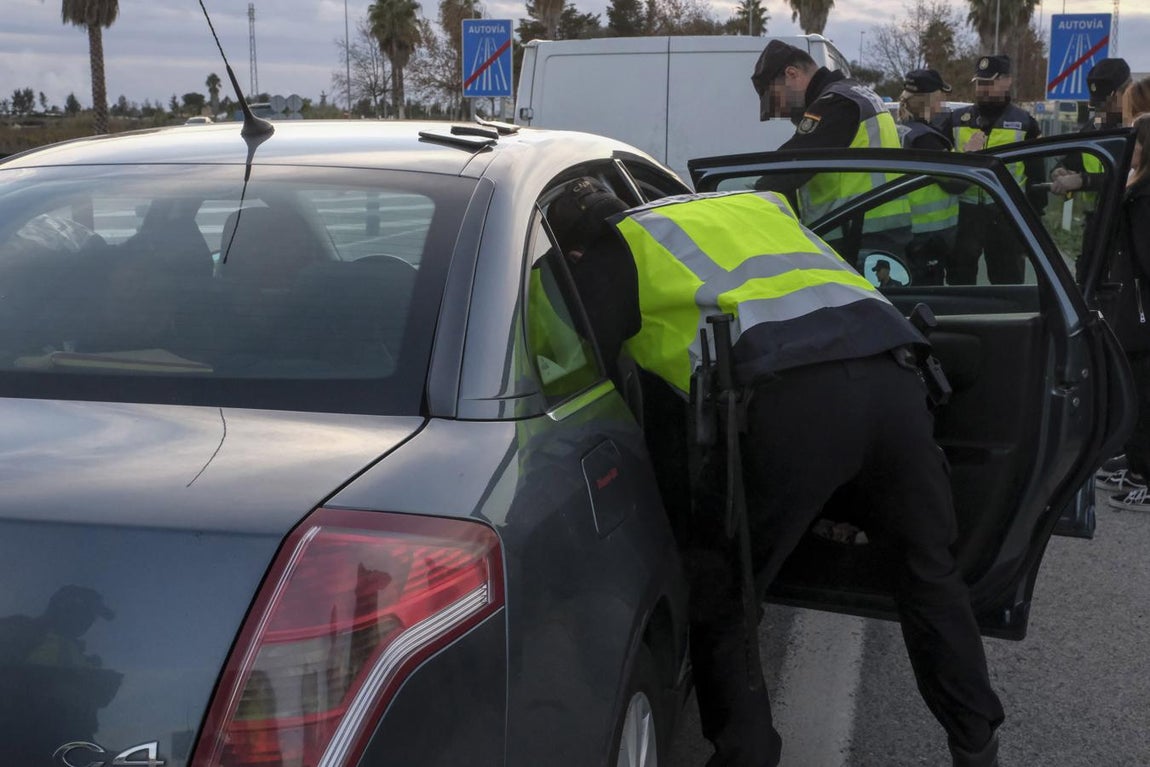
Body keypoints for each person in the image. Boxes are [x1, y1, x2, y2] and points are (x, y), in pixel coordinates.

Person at [551, 178, 1006, 767]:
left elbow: (573, 367)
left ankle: (747, 754)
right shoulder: (750, 206)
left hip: (789, 402)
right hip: (895, 379)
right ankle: (977, 742)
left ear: (574, 251)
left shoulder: (616, 249)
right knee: (928, 573)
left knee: (725, 592)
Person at [750, 40, 911, 257]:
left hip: (857, 238)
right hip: (879, 232)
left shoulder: (836, 104)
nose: (780, 112)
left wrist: (748, 200)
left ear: (792, 74)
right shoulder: (858, 95)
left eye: (775, 99)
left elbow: (787, 170)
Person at [936, 55, 1046, 285]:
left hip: (1006, 213)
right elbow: (941, 167)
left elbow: (1036, 178)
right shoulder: (956, 119)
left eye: (989, 82)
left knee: (1008, 283)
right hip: (965, 214)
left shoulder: (1025, 123)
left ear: (1007, 81)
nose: (983, 88)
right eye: (979, 83)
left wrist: (1033, 222)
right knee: (960, 283)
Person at [1101, 117, 1150, 512]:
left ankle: (1145, 476)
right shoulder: (1136, 188)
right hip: (1133, 308)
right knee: (1134, 389)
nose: (1127, 149)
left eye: (1134, 142)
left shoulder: (1144, 198)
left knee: (1143, 393)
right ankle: (1136, 467)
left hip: (1141, 312)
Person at [898, 68, 960, 284]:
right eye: (941, 96)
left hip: (906, 228)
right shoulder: (926, 139)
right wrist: (973, 155)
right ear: (931, 99)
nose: (943, 103)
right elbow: (956, 182)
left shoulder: (902, 130)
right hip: (928, 235)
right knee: (927, 295)